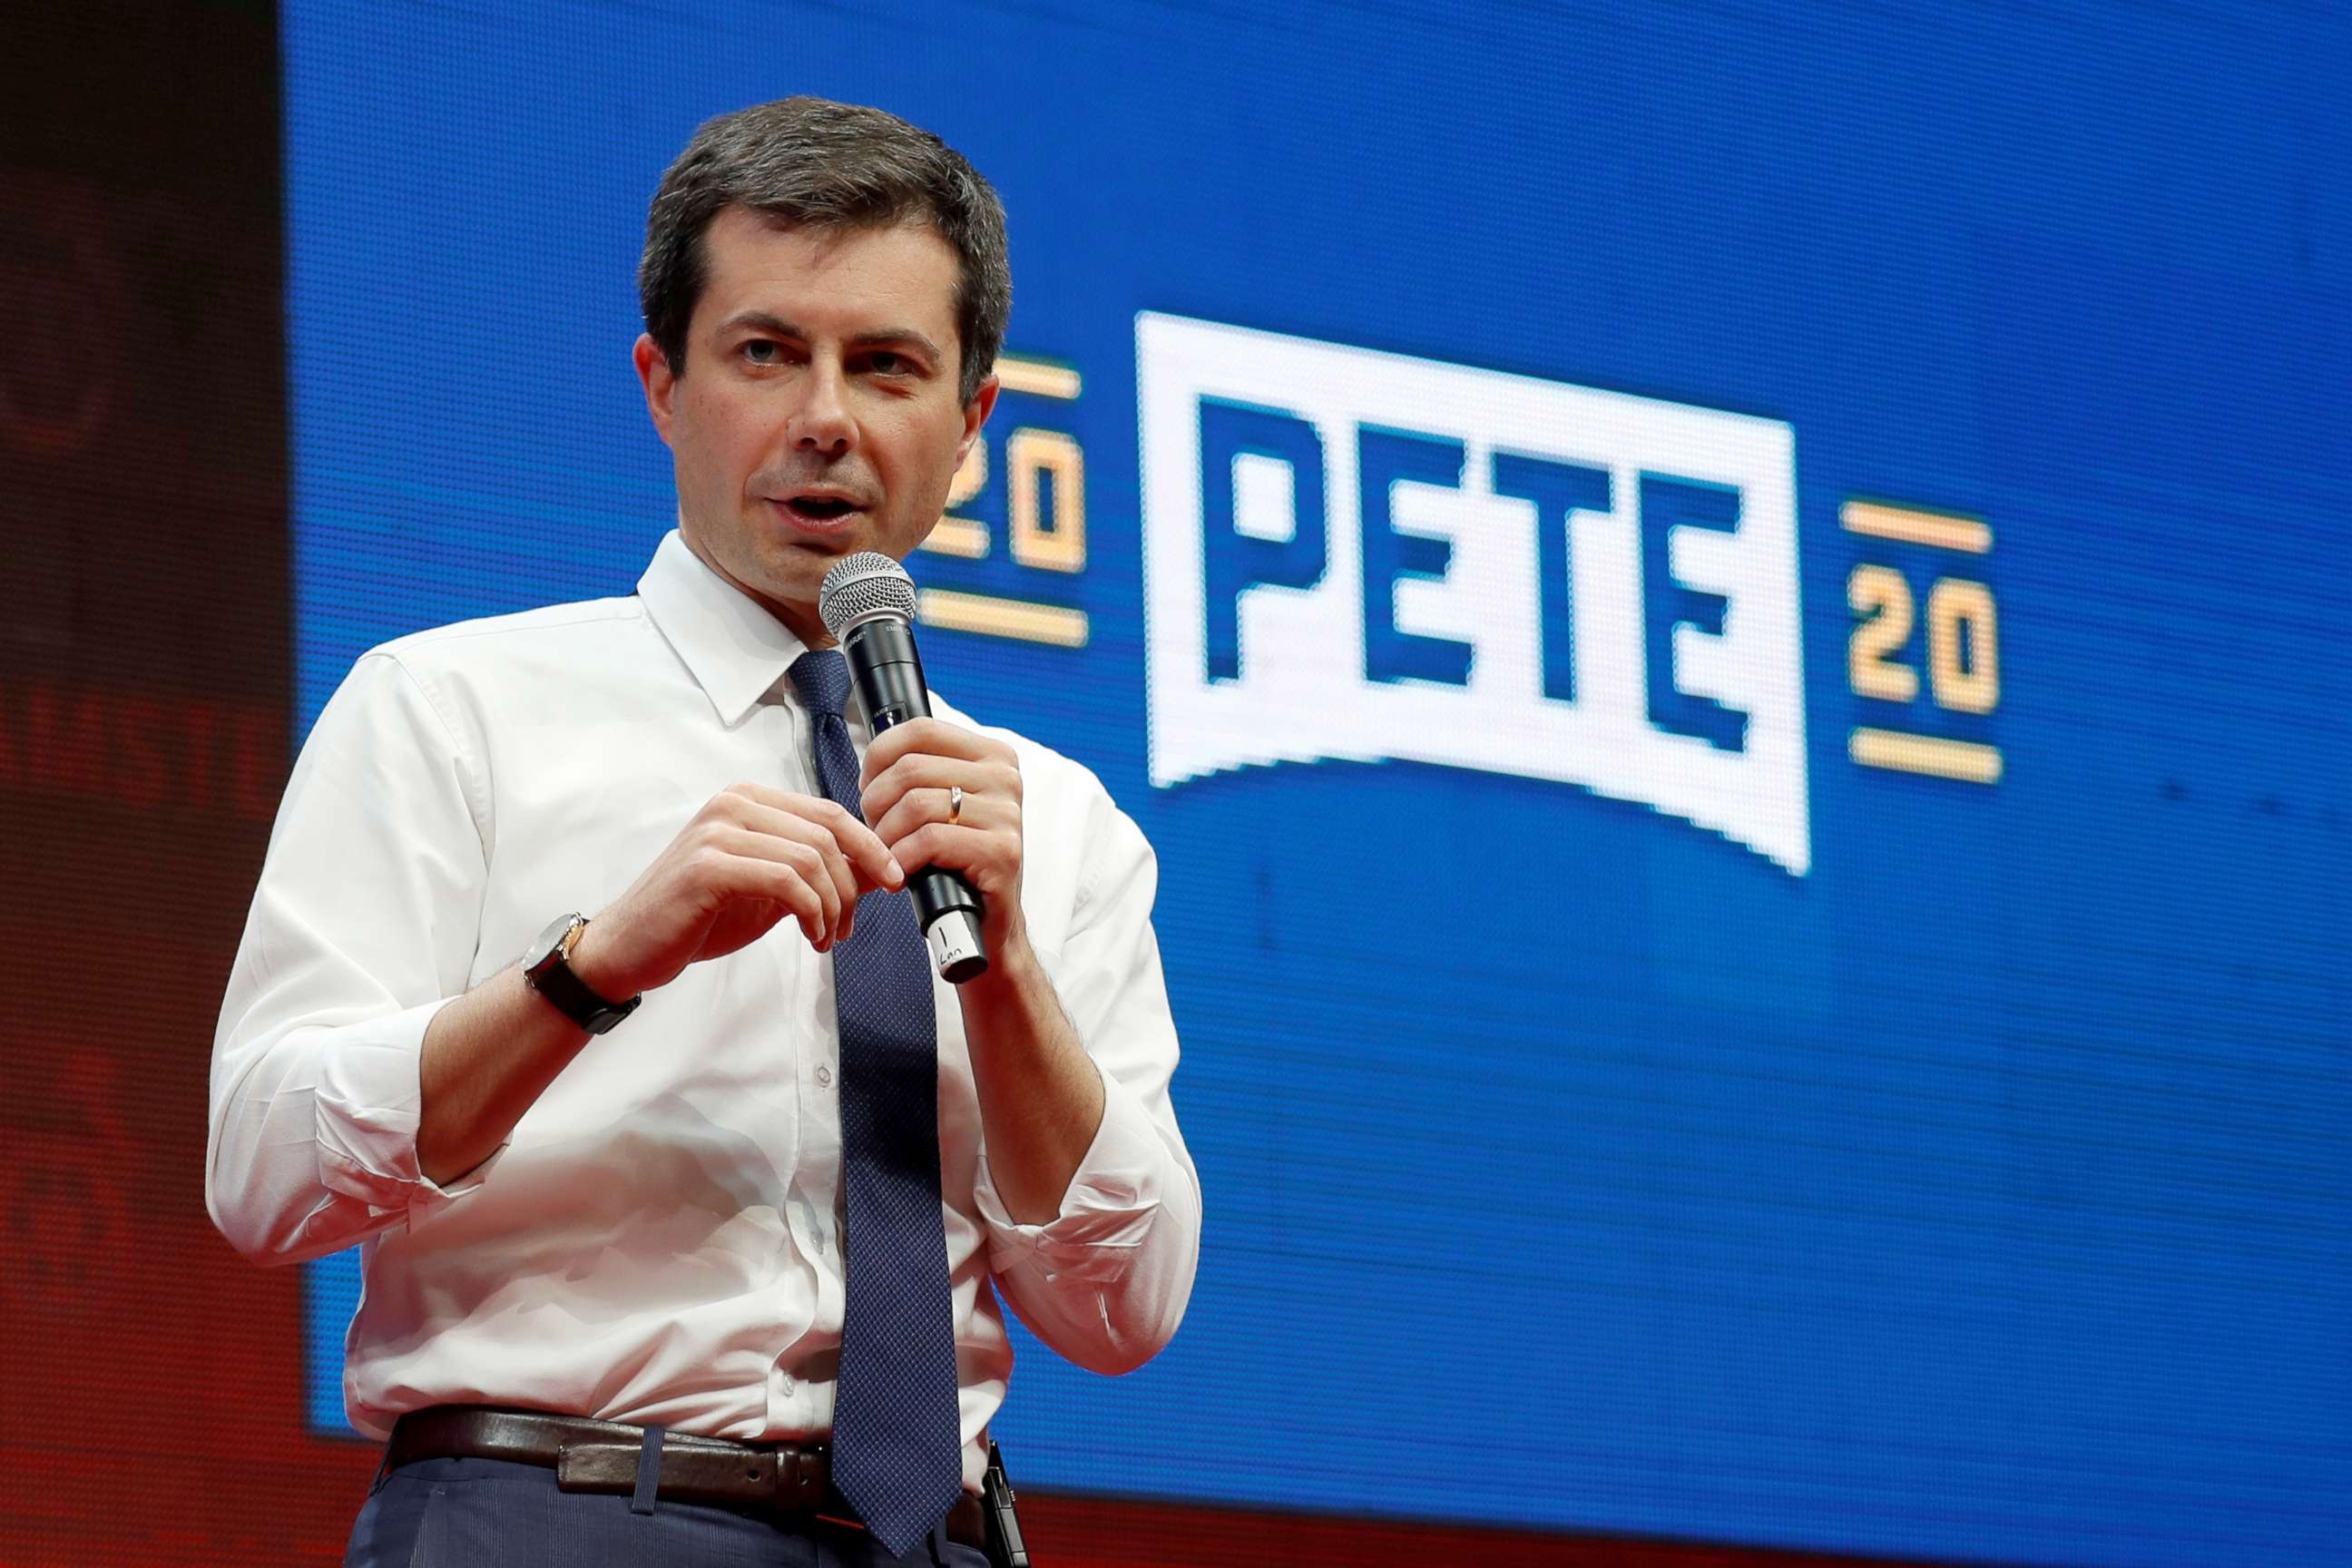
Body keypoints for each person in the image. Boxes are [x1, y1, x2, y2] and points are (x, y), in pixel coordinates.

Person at [207, 97, 1200, 1567]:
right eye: (765, 353)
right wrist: (594, 968)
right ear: (661, 384)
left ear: (973, 421)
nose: (826, 419)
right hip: (552, 1515)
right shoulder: (451, 707)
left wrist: (1006, 976)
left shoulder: (1049, 819)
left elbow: (1124, 1313)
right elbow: (264, 1175)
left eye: (886, 367)